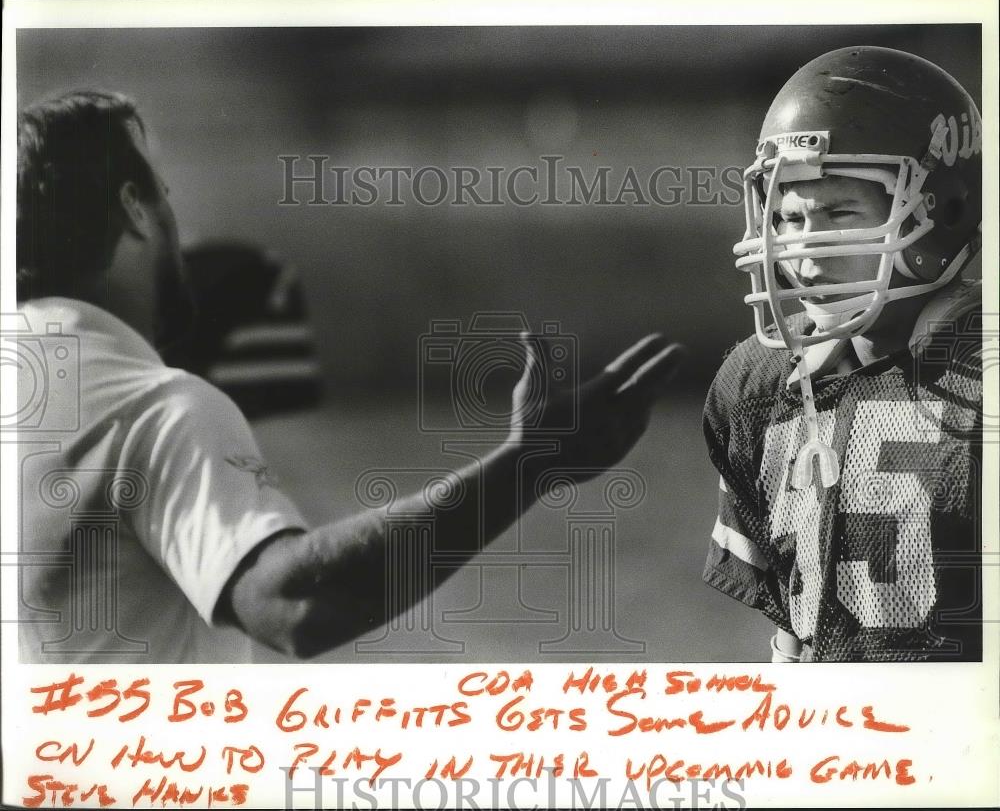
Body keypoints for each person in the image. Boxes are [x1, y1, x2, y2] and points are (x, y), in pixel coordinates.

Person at [13, 90, 684, 663]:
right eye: (163, 195)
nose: (172, 216)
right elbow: (295, 603)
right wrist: (531, 462)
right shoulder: (156, 410)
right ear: (133, 207)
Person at [702, 47, 984, 662]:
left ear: (945, 211)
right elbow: (792, 633)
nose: (805, 254)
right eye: (786, 216)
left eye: (838, 213)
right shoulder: (755, 385)